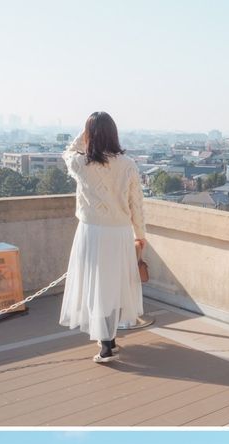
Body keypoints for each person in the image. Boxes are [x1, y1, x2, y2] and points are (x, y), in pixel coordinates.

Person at [60, 111, 146, 363]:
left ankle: (106, 344)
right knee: (115, 284)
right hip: (119, 232)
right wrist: (140, 234)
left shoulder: (81, 163)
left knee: (95, 285)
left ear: (90, 135)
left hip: (92, 231)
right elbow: (136, 204)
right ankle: (109, 339)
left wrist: (84, 135)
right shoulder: (128, 164)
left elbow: (67, 151)